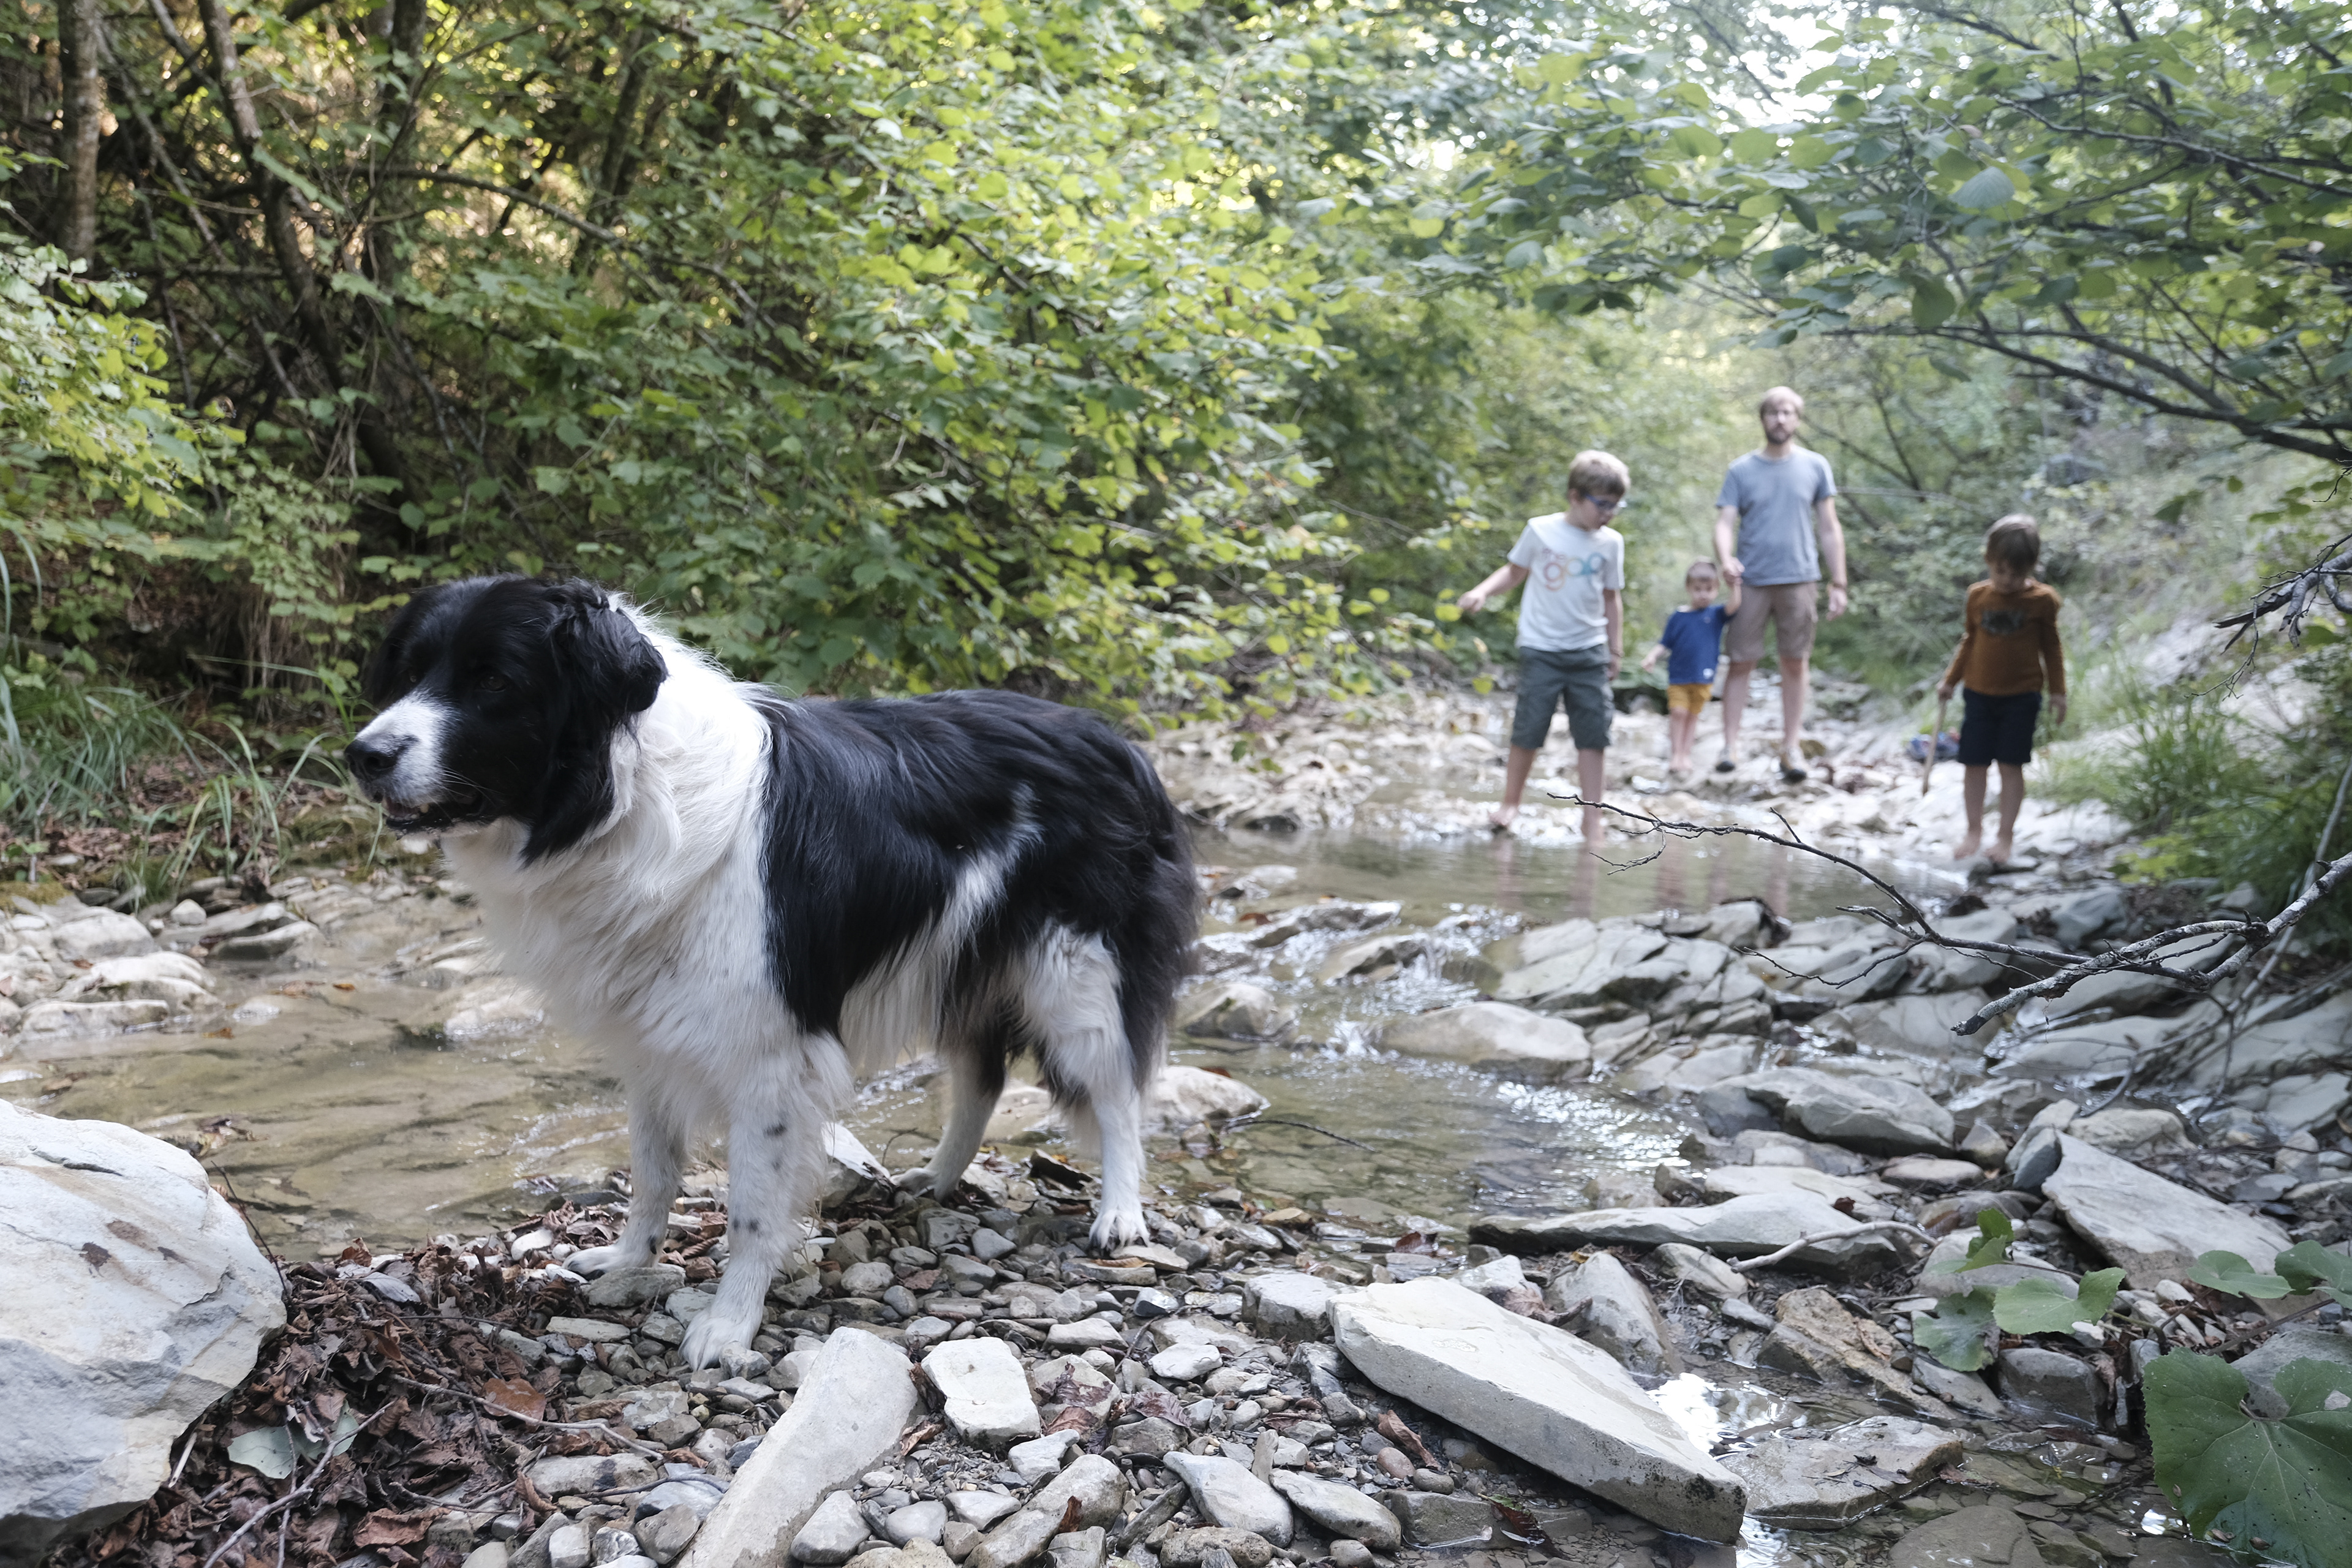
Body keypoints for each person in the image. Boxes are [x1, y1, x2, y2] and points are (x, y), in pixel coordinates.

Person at [1456, 450, 1629, 840]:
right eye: (1602, 504)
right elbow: (1515, 571)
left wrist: (1615, 650)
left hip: (1589, 649)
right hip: (1542, 648)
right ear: (1574, 496)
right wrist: (1482, 592)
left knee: (1594, 732)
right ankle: (1510, 802)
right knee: (1529, 727)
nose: (1609, 514)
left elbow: (1611, 598)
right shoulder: (1541, 530)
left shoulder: (1611, 544)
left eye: (1616, 506)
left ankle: (1592, 815)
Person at [1714, 386, 1847, 782]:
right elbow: (1724, 522)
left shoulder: (1816, 466)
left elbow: (1829, 527)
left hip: (1800, 578)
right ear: (1763, 419)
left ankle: (1791, 747)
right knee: (1741, 662)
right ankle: (1729, 746)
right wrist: (1726, 560)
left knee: (1795, 661)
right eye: (1772, 412)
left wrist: (1839, 582)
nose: (1780, 419)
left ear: (1798, 419)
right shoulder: (1741, 470)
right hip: (1750, 580)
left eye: (1787, 412)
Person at [1937, 513, 2067, 865]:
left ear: (2032, 567)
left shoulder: (2043, 601)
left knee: (2011, 765)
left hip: (2022, 697)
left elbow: (2052, 648)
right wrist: (1951, 681)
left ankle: (2005, 837)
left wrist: (2058, 692)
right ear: (1988, 561)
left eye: (2017, 573)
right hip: (1979, 694)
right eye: (2001, 571)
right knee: (1974, 764)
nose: (2008, 581)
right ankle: (1974, 830)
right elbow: (1969, 640)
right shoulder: (1978, 597)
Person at [1640, 559, 1741, 777]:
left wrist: (1735, 586)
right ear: (1688, 589)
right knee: (1678, 712)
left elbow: (1734, 606)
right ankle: (1676, 754)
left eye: (1709, 590)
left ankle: (1686, 754)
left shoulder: (1715, 615)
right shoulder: (1678, 617)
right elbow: (1665, 642)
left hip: (1703, 677)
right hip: (1678, 676)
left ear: (1716, 590)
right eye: (1698, 589)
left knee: (1693, 716)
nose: (1703, 595)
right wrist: (1652, 657)